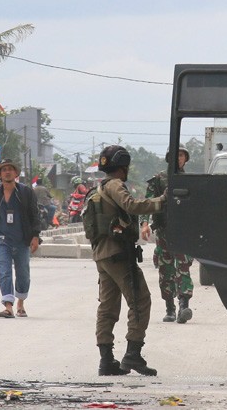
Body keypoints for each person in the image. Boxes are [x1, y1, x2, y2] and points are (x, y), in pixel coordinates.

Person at [93, 145, 166, 376]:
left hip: (103, 254)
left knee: (108, 306)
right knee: (140, 300)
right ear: (123, 167)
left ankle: (106, 360)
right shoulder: (115, 185)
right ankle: (133, 354)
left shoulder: (101, 186)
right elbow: (131, 206)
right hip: (117, 255)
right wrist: (161, 201)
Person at [140, 147, 195, 324]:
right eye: (175, 155)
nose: (178, 158)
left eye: (181, 155)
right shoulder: (159, 179)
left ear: (185, 158)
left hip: (184, 232)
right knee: (166, 270)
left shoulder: (191, 180)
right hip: (163, 231)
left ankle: (183, 306)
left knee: (183, 267)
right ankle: (170, 308)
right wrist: (145, 223)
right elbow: (147, 202)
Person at [0, 159, 42, 318]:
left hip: (22, 240)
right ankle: (8, 306)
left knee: (23, 273)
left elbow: (34, 215)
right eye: (4, 170)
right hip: (2, 241)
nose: (7, 172)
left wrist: (35, 236)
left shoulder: (25, 193)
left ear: (16, 173)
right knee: (4, 272)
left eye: (10, 169)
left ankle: (21, 303)